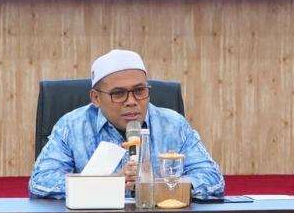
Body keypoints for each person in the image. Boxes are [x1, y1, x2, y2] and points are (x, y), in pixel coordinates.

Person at [29, 49, 224, 200]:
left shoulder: (173, 125)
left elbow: (212, 178)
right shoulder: (72, 126)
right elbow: (41, 183)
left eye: (139, 91)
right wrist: (110, 184)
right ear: (96, 98)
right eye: (119, 94)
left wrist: (159, 187)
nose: (131, 101)